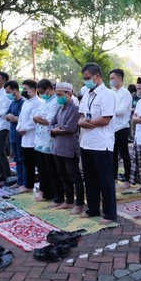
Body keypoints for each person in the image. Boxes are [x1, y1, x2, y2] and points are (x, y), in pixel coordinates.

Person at [78, 63, 117, 224]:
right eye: (84, 79)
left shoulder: (107, 94)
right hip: (86, 142)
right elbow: (81, 116)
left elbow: (106, 119)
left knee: (105, 180)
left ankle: (109, 213)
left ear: (97, 76)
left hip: (101, 143)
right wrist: (81, 122)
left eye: (88, 78)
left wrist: (88, 122)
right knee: (90, 178)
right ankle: (93, 208)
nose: (86, 81)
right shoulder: (87, 93)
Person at [50, 82, 86, 214]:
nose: (58, 97)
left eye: (60, 95)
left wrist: (56, 129)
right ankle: (69, 201)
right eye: (57, 95)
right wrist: (56, 129)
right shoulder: (59, 108)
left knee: (74, 177)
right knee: (63, 176)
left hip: (69, 148)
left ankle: (80, 204)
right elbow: (51, 124)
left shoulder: (75, 109)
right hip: (57, 147)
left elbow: (70, 128)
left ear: (68, 94)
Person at [34, 79, 62, 203]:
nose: (41, 95)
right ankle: (45, 192)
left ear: (49, 89)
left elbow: (48, 121)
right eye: (39, 92)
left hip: (49, 141)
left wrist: (38, 119)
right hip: (40, 140)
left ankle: (56, 195)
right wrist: (37, 118)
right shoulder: (44, 102)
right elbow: (36, 116)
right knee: (42, 169)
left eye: (42, 92)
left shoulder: (56, 102)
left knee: (52, 170)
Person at [16, 80, 43, 193]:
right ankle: (28, 185)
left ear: (33, 89)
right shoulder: (26, 102)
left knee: (38, 164)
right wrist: (19, 127)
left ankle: (42, 187)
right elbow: (21, 117)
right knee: (26, 163)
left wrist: (24, 128)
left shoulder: (38, 102)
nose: (24, 91)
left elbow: (34, 120)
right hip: (24, 137)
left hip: (33, 137)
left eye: (25, 89)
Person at [109, 69, 132, 189]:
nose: (111, 81)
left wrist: (109, 111)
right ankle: (114, 178)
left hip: (122, 127)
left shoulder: (125, 93)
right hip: (112, 127)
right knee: (112, 154)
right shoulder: (112, 92)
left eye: (113, 78)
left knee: (124, 154)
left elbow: (121, 111)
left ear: (120, 78)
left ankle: (128, 179)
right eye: (111, 78)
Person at [4, 81, 25, 188]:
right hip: (13, 134)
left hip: (21, 135)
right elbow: (7, 115)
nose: (8, 94)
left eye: (9, 92)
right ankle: (19, 181)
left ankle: (25, 183)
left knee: (22, 160)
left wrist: (13, 118)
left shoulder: (23, 102)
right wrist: (10, 117)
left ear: (15, 90)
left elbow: (21, 119)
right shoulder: (12, 103)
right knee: (17, 160)